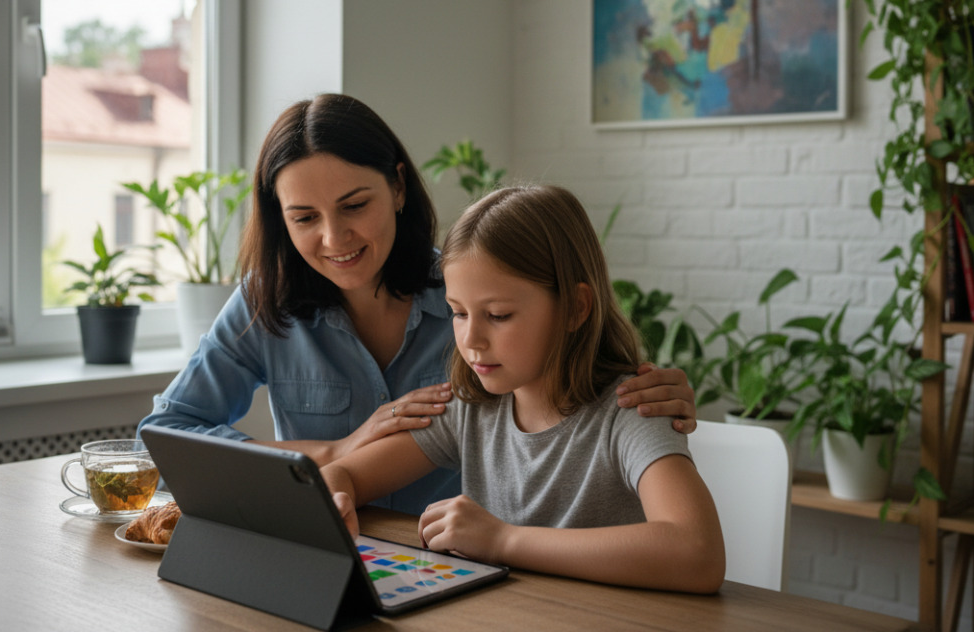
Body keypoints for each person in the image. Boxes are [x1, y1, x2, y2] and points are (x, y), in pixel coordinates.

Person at [138, 93, 699, 515]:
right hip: (350, 545)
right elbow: (167, 433)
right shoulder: (267, 302)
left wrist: (638, 384)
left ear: (398, 188)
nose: (334, 239)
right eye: (305, 218)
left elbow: (577, 377)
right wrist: (335, 451)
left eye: (355, 205)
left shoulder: (468, 292)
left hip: (463, 565)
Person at [321, 184, 724, 593]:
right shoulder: (472, 408)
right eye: (458, 313)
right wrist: (335, 492)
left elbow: (698, 553)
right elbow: (343, 474)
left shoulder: (632, 410)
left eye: (498, 315)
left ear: (575, 308)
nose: (471, 339)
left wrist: (504, 540)